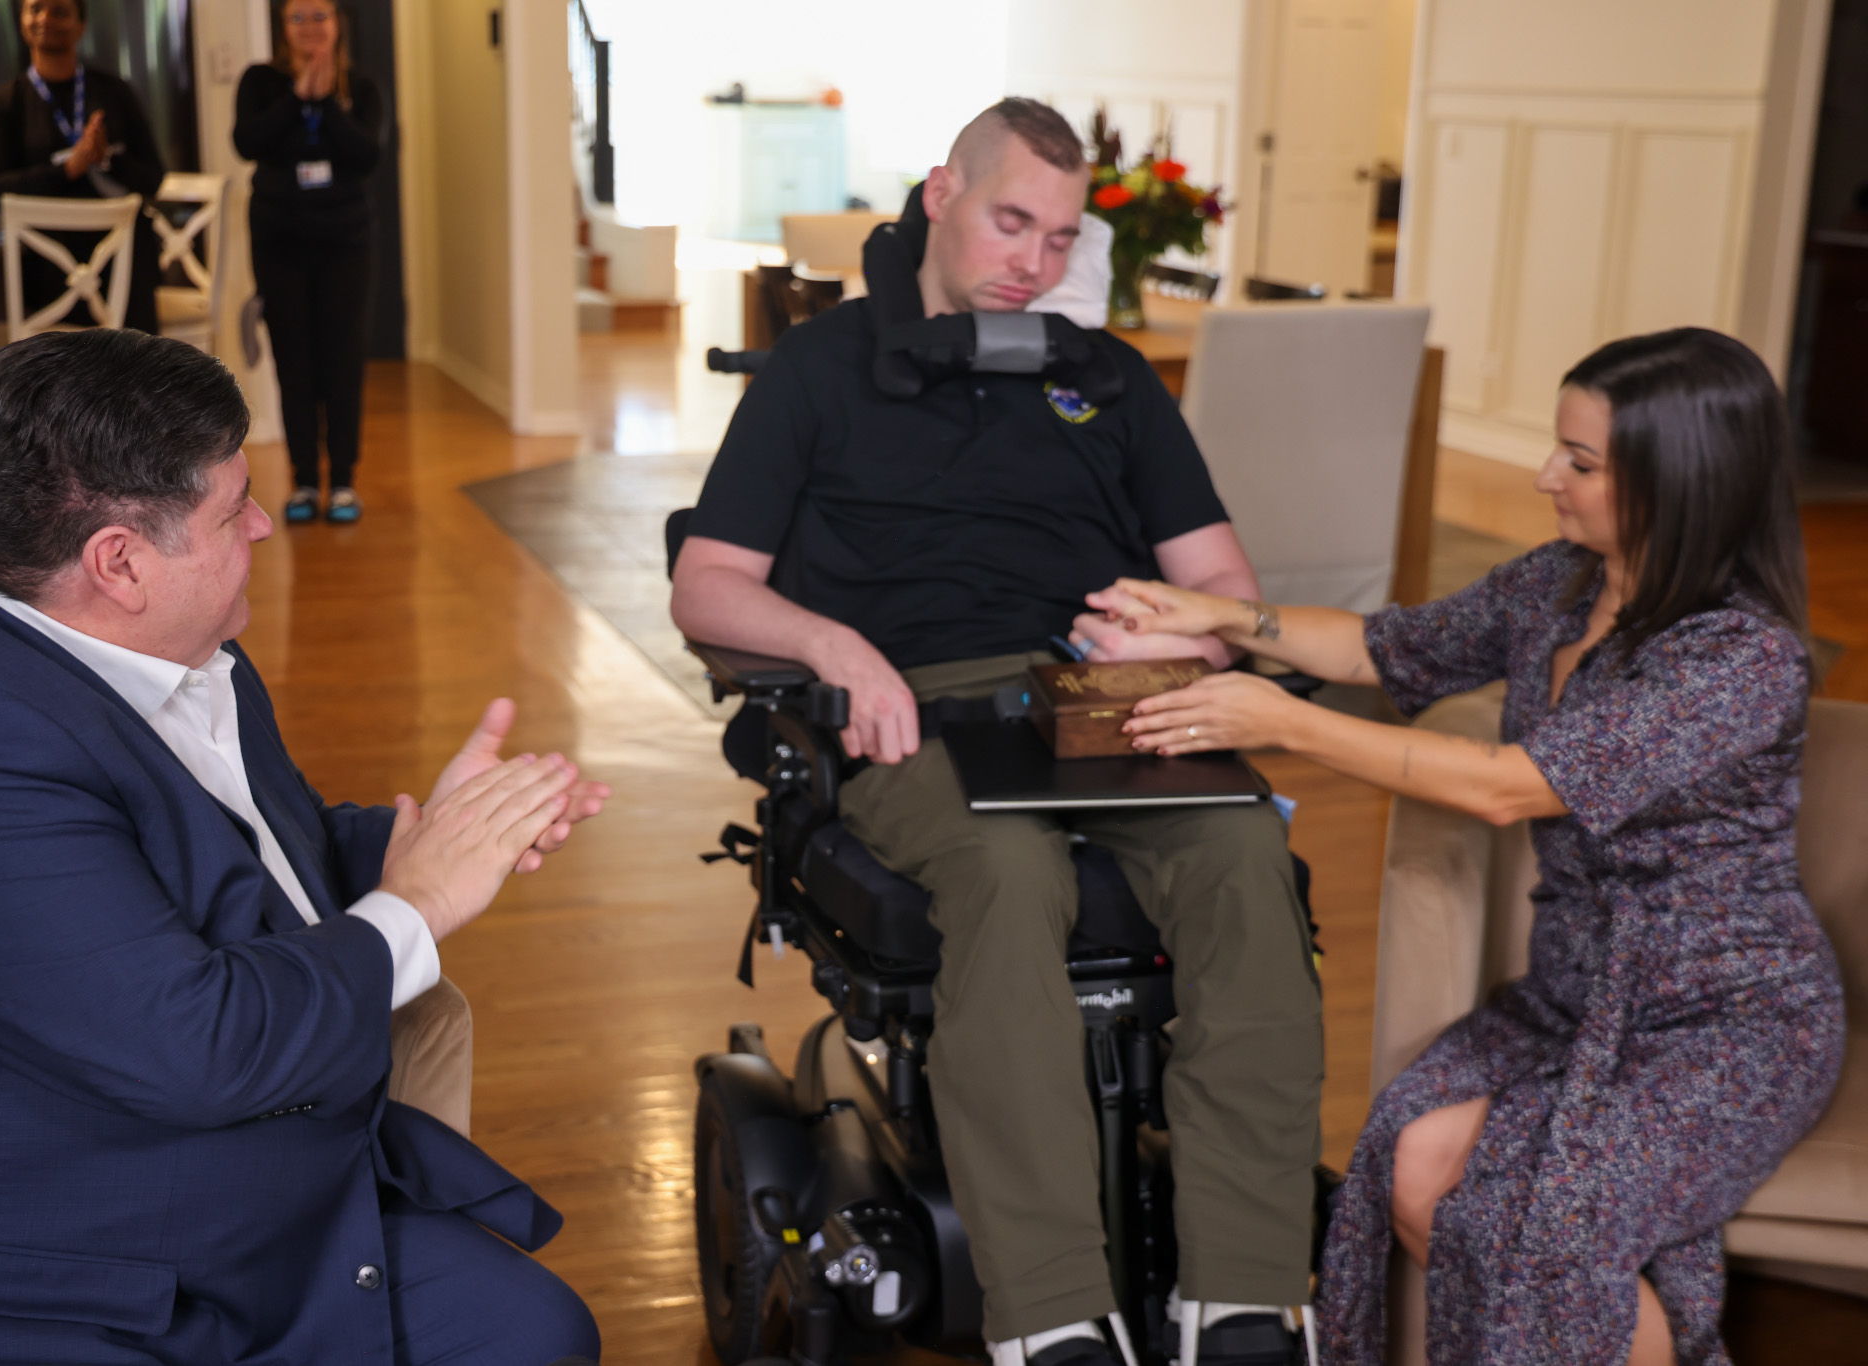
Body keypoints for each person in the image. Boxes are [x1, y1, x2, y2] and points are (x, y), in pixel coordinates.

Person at [671, 98, 1322, 1366]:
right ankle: (1047, 1310)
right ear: (938, 194)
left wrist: (1180, 637)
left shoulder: (1108, 378)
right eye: (1007, 219)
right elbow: (707, 581)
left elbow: (1223, 591)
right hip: (915, 709)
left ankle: (1240, 1296)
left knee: (1248, 857)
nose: (1030, 259)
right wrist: (834, 645)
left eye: (1058, 236)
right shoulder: (821, 368)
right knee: (1007, 876)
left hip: (1099, 698)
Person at [0, 329, 609, 1366]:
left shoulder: (172, 648)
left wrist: (416, 844)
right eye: (233, 507)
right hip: (63, 1269)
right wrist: (415, 908)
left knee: (540, 1330)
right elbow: (195, 1047)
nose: (265, 525)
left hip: (241, 1189)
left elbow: (234, 856)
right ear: (119, 561)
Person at [1090, 327, 1844, 1366]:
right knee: (1406, 1158)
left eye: (1579, 463)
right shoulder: (1559, 584)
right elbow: (1379, 645)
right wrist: (1218, 612)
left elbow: (1508, 789)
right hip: (1573, 994)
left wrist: (1282, 722)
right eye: (1556, 448)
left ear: (1676, 482)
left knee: (1546, 1224)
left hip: (1725, 1018)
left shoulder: (1737, 656)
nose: (1545, 476)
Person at [232, 0, 384, 526]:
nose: (310, 28)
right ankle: (302, 481)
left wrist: (329, 106)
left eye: (320, 16)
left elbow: (367, 155)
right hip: (279, 241)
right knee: (293, 360)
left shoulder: (359, 87)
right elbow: (247, 142)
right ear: (283, 28)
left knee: (342, 361)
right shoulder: (261, 81)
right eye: (298, 18)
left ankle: (342, 481)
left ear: (338, 23)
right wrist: (298, 99)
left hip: (347, 241)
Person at [0, 0, 165, 333]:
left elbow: (153, 177)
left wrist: (105, 158)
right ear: (22, 21)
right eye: (36, 9)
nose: (46, 19)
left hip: (121, 260)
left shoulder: (115, 93)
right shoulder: (8, 101)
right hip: (46, 266)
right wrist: (68, 169)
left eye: (60, 11)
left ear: (81, 26)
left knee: (136, 360)